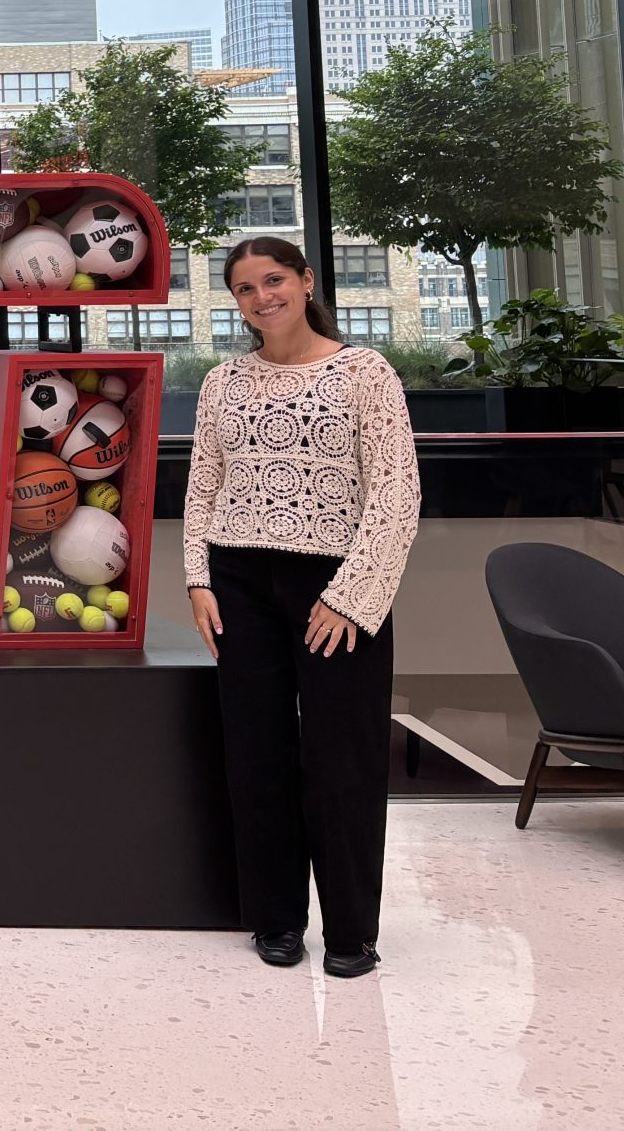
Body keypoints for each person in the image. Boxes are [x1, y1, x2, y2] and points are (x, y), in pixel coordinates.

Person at [185, 236, 419, 979]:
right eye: (246, 288)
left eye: (275, 280)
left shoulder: (365, 373)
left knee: (342, 759)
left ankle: (351, 932)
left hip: (336, 583)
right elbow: (203, 485)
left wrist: (352, 596)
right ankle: (276, 919)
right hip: (238, 582)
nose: (263, 298)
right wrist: (198, 579)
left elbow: (396, 493)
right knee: (257, 755)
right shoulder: (222, 381)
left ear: (306, 281)